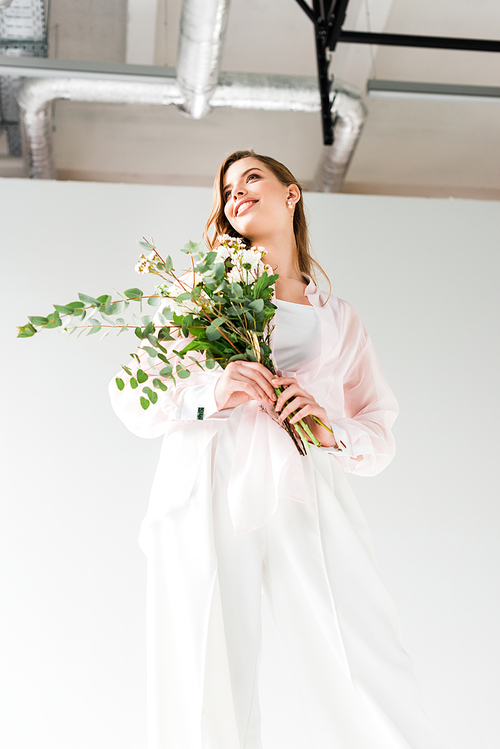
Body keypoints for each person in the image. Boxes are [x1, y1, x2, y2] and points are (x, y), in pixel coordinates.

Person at [109, 150, 447, 749]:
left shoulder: (339, 318)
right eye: (226, 190)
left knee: (360, 651)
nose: (235, 194)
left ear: (292, 193)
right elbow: (132, 397)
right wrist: (216, 387)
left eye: (251, 179)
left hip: (302, 488)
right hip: (210, 483)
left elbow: (379, 428)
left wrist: (327, 428)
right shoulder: (196, 293)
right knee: (206, 666)